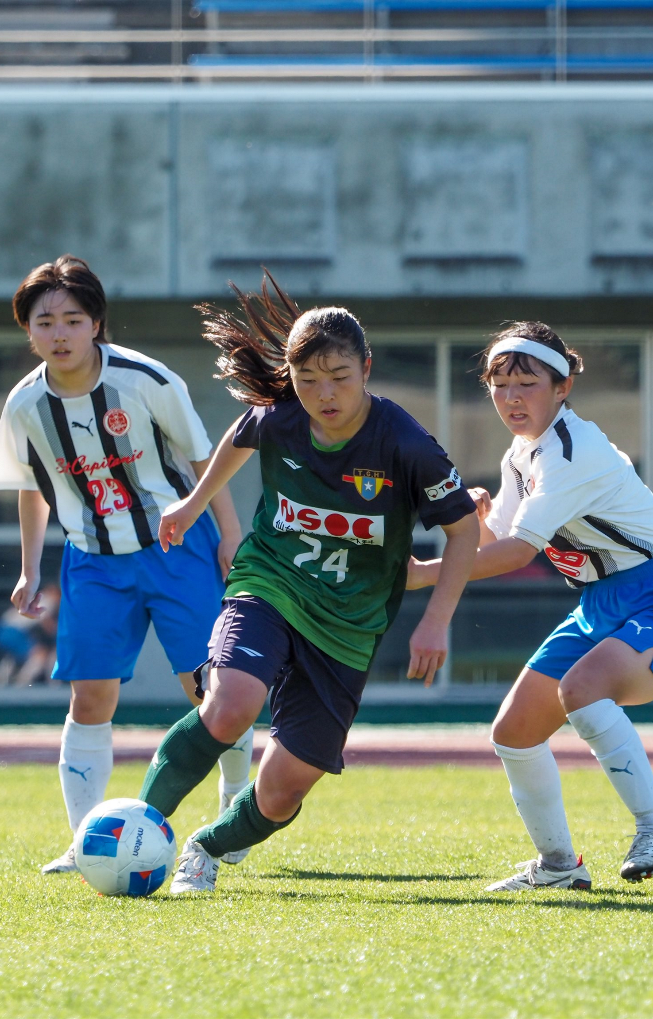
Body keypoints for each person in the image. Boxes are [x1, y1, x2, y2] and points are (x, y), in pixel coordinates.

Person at [143, 274, 479, 894]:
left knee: (279, 793)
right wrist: (193, 505)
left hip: (350, 627)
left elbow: (464, 531)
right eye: (307, 380)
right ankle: (138, 828)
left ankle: (205, 845)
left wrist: (435, 620)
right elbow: (241, 433)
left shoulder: (406, 443)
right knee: (230, 706)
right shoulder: (281, 418)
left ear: (366, 368)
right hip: (271, 581)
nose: (323, 394)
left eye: (339, 377)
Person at [409, 322, 653, 890]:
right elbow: (500, 539)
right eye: (499, 385)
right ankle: (558, 868)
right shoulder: (520, 455)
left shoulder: (574, 450)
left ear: (563, 386)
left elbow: (519, 553)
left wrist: (426, 574)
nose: (510, 398)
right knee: (513, 733)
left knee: (579, 689)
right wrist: (477, 518)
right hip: (601, 601)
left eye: (526, 383)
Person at [0, 255, 250, 875]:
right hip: (93, 560)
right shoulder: (25, 403)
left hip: (174, 545)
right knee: (90, 696)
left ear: (96, 323)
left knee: (214, 691)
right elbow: (32, 486)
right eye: (45, 321)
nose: (59, 333)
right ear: (28, 330)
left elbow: (202, 461)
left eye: (73, 320)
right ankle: (86, 843)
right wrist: (29, 569)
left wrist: (229, 536)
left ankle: (232, 814)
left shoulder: (145, 379)